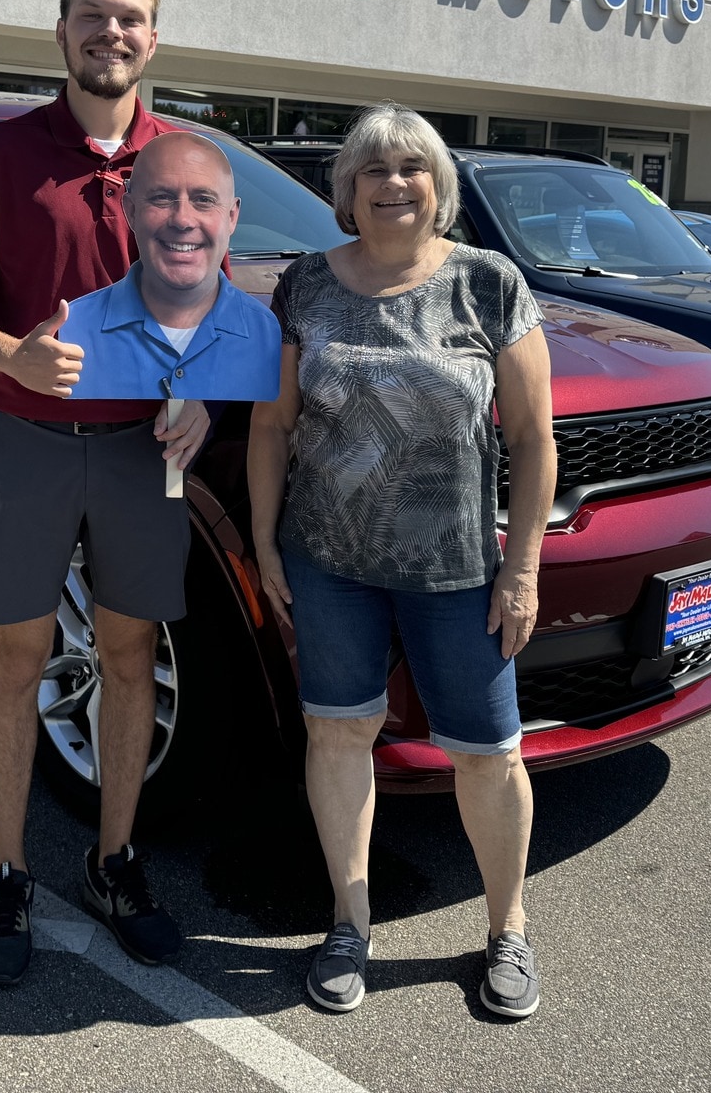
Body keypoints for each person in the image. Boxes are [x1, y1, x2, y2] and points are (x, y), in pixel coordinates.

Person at [0, 0, 211, 987]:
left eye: (129, 19)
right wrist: (9, 354)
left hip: (140, 457)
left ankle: (114, 861)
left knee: (130, 659)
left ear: (152, 39)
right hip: (25, 447)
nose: (110, 34)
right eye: (93, 16)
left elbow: (204, 306)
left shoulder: (187, 163)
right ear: (61, 31)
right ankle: (5, 872)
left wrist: (199, 391)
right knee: (13, 662)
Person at [246, 102, 558, 1018]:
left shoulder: (489, 285)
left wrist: (525, 565)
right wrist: (265, 541)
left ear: (438, 187)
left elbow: (535, 443)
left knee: (488, 754)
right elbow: (273, 424)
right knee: (339, 733)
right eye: (373, 171)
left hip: (460, 569)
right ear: (346, 191)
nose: (392, 185)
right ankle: (348, 923)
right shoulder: (306, 284)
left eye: (411, 168)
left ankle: (509, 930)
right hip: (327, 561)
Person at [57, 131, 282, 405]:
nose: (183, 220)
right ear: (131, 212)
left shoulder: (271, 334)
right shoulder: (74, 329)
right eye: (162, 198)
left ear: (232, 217)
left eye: (204, 200)